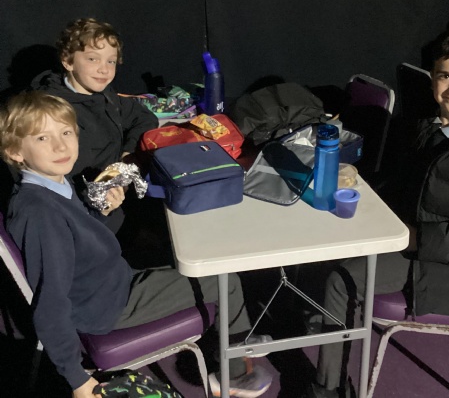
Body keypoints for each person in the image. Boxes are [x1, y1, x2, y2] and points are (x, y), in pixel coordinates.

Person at [0, 91, 272, 398]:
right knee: (224, 279)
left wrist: (100, 213)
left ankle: (236, 335)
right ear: (15, 151)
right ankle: (235, 373)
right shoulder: (40, 213)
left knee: (184, 255)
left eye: (65, 132)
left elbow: (77, 242)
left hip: (108, 282)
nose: (60, 146)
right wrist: (76, 378)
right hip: (108, 305)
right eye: (42, 138)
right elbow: (50, 303)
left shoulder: (51, 184)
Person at [305, 25, 449, 398]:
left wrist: (411, 237)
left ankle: (328, 389)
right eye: (445, 76)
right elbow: (407, 184)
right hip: (415, 239)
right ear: (433, 79)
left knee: (341, 282)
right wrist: (364, 190)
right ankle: (331, 326)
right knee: (329, 238)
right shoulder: (430, 125)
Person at [31, 18, 159, 237]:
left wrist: (127, 156)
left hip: (120, 198)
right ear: (68, 61)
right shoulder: (53, 112)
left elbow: (144, 117)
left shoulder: (103, 94)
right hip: (91, 219)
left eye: (111, 61)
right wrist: (104, 198)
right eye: (92, 59)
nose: (104, 69)